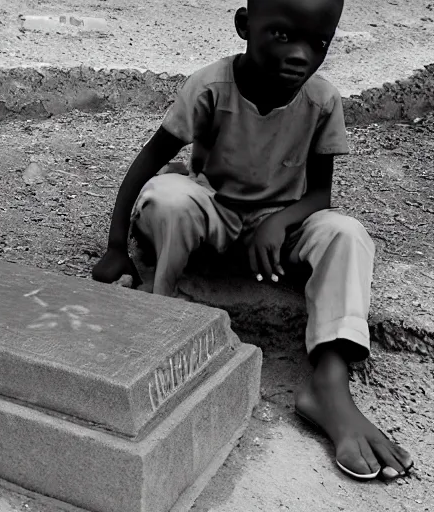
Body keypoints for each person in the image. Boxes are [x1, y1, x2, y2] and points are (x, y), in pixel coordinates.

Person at [92, 0, 414, 480]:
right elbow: (148, 161)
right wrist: (117, 245)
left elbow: (321, 194)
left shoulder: (322, 100)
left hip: (276, 229)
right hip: (211, 212)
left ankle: (329, 383)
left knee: (347, 234)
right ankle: (162, 319)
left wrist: (281, 222)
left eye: (318, 43)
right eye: (283, 36)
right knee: (169, 199)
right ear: (246, 26)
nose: (301, 56)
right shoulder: (211, 87)